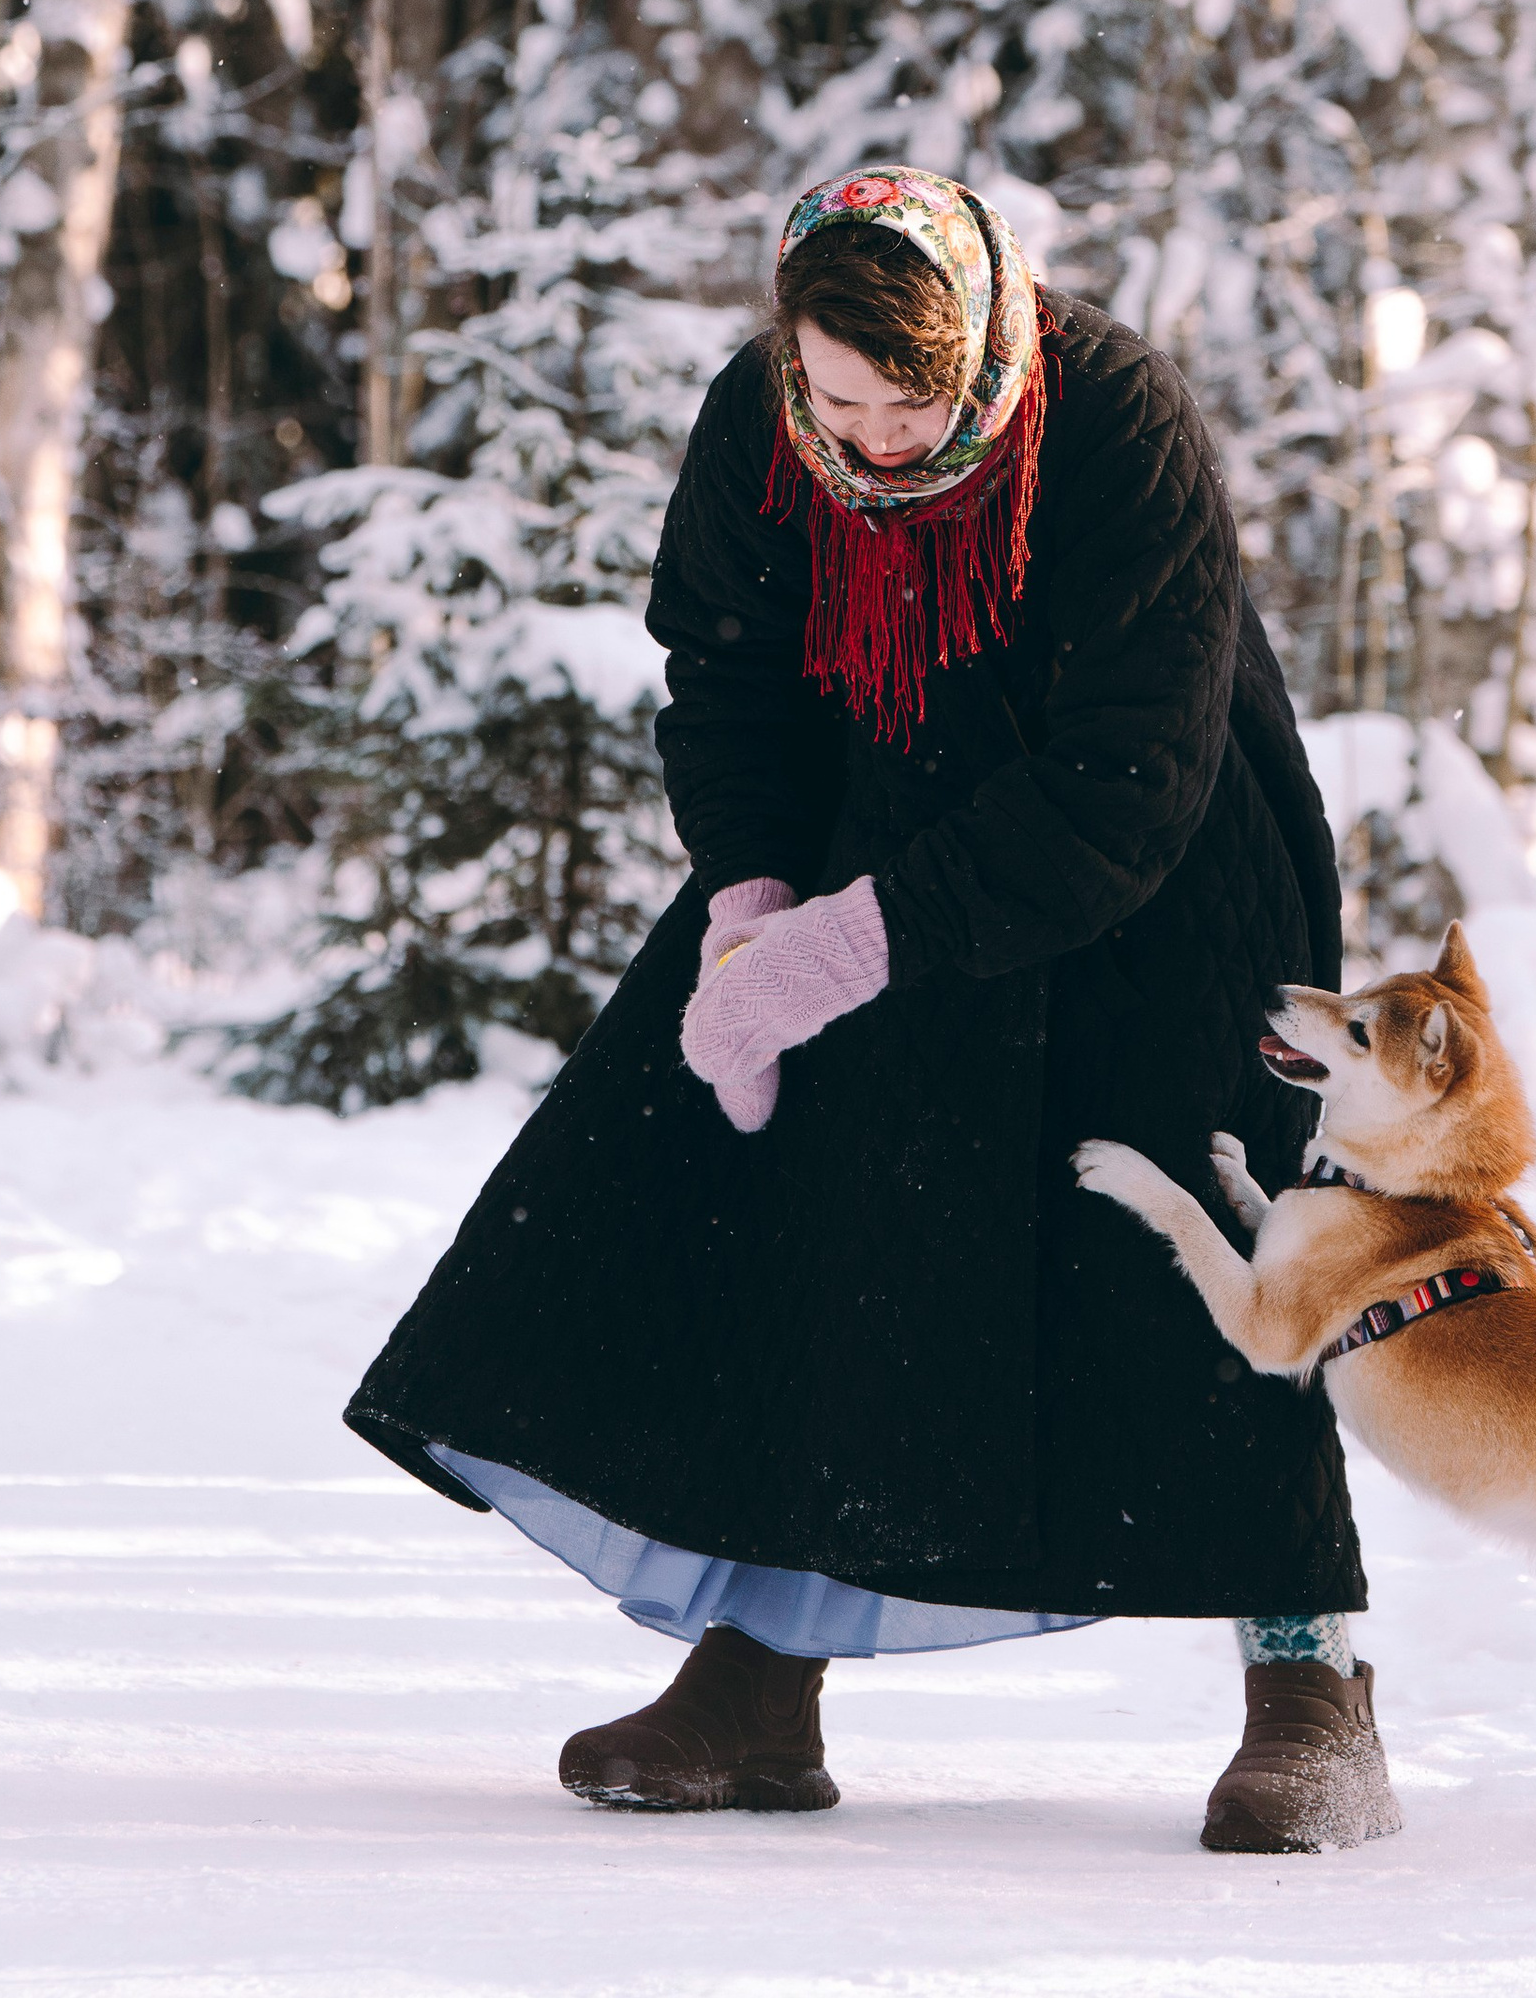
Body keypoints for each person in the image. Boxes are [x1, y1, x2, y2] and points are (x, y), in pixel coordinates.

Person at [345, 166, 1400, 1853]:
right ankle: (758, 1679)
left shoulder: (1115, 417)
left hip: (1160, 868)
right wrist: (755, 904)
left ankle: (1313, 1685)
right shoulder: (763, 419)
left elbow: (1133, 770)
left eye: (914, 402)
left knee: (1188, 1243)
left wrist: (854, 945)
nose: (880, 438)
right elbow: (730, 671)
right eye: (841, 396)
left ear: (987, 344)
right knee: (787, 1208)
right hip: (869, 834)